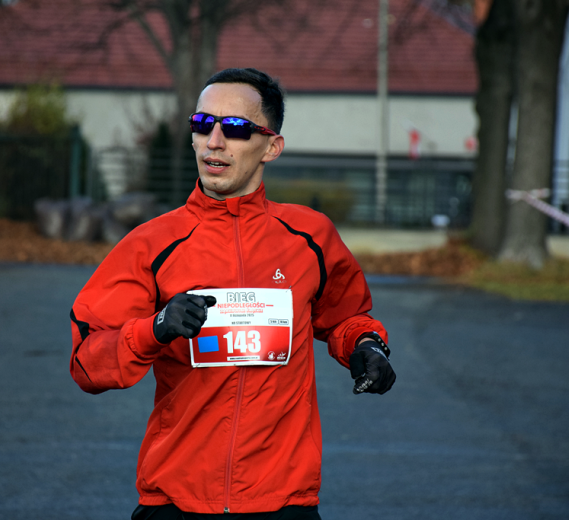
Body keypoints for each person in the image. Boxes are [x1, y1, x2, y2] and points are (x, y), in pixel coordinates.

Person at [69, 68, 396, 520]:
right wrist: (156, 329)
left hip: (284, 501)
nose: (214, 141)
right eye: (202, 125)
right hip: (176, 500)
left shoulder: (310, 237)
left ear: (272, 147)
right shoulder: (150, 244)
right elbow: (87, 362)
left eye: (236, 129)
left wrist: (365, 346)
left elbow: (346, 317)